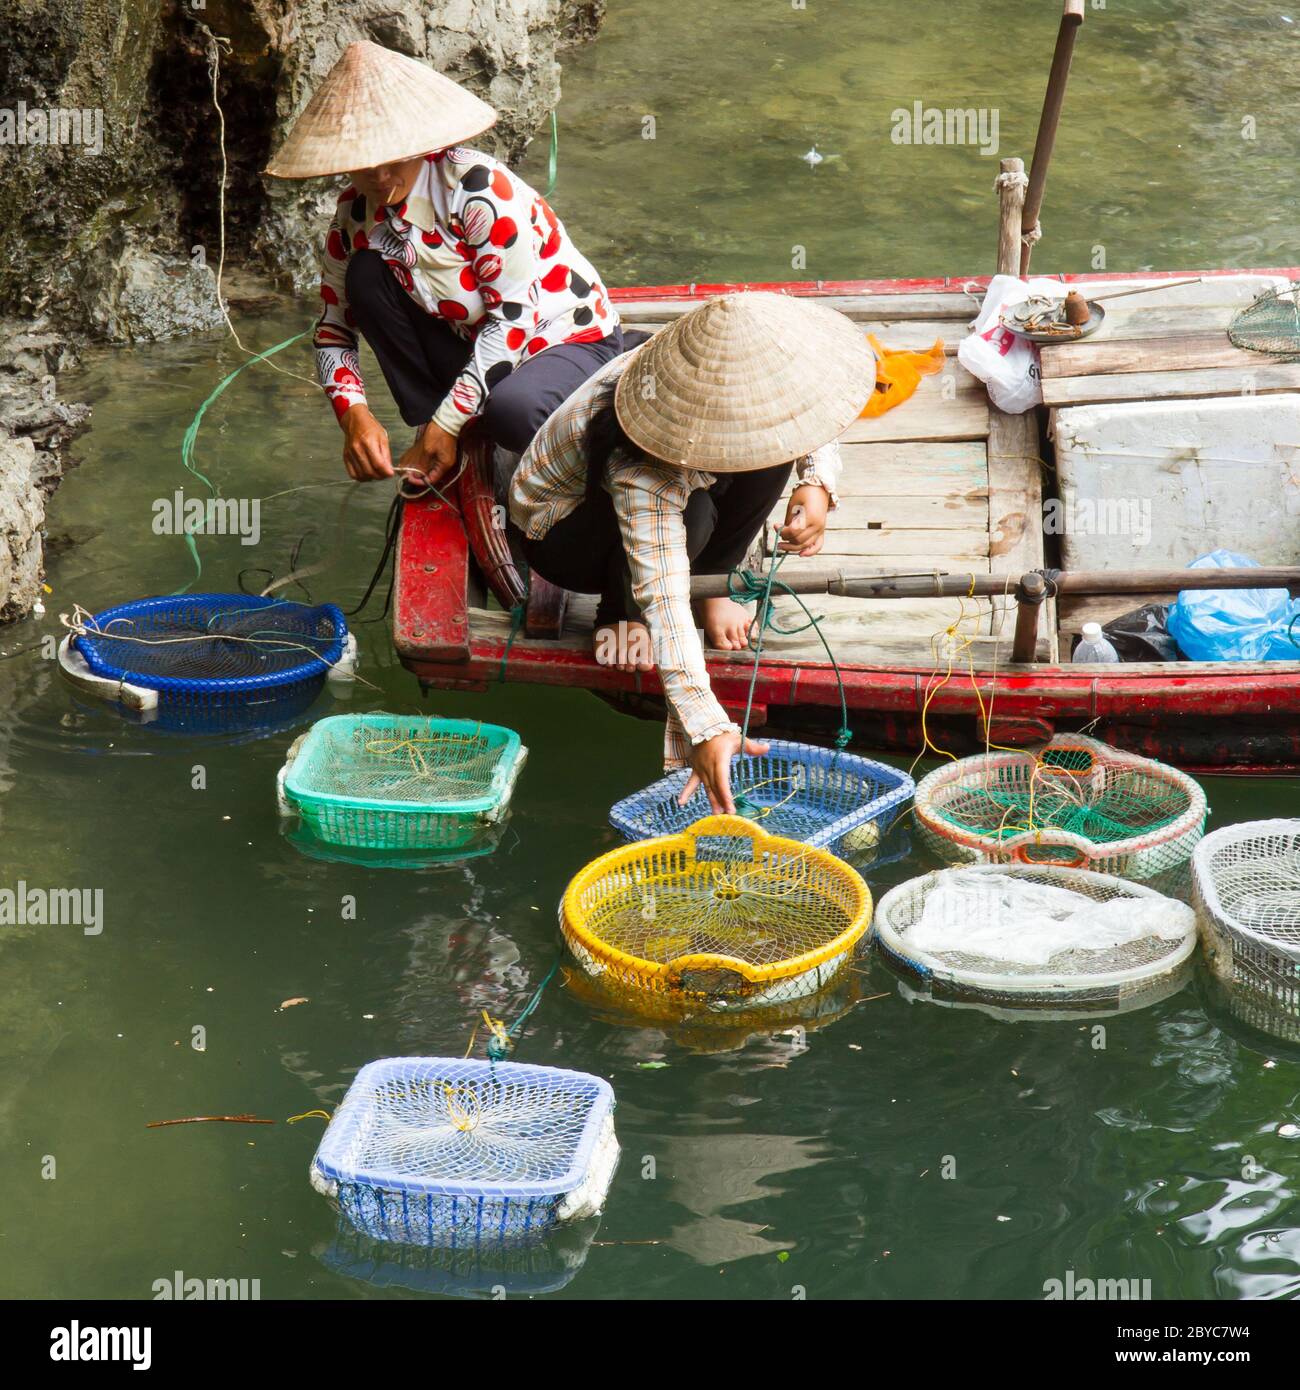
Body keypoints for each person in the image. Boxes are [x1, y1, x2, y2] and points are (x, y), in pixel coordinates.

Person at [510, 292, 873, 813]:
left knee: (770, 450)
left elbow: (804, 403)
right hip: (563, 531)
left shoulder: (751, 370)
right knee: (693, 516)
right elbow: (663, 595)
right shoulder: (643, 467)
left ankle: (717, 577)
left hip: (661, 491)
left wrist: (816, 485)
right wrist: (705, 726)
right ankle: (618, 607)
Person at [263, 40, 622, 486]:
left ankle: (455, 431)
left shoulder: (477, 190)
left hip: (560, 337)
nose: (380, 178)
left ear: (419, 145)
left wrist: (449, 422)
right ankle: (438, 428)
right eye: (363, 165)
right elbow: (333, 329)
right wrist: (353, 413)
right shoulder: (353, 214)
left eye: (393, 160)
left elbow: (512, 321)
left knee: (513, 414)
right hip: (471, 341)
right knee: (366, 274)